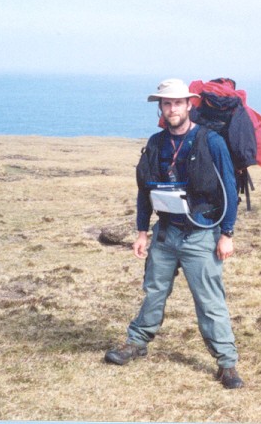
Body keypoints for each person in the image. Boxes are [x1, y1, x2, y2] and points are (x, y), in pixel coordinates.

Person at [104, 78, 244, 389]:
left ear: (189, 104)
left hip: (201, 234)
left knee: (210, 301)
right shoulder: (155, 144)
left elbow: (230, 190)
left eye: (178, 103)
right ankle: (136, 342)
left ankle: (227, 364)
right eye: (167, 103)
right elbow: (144, 191)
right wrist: (142, 232)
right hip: (165, 234)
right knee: (154, 292)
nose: (172, 108)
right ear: (161, 107)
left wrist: (227, 233)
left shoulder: (212, 142)